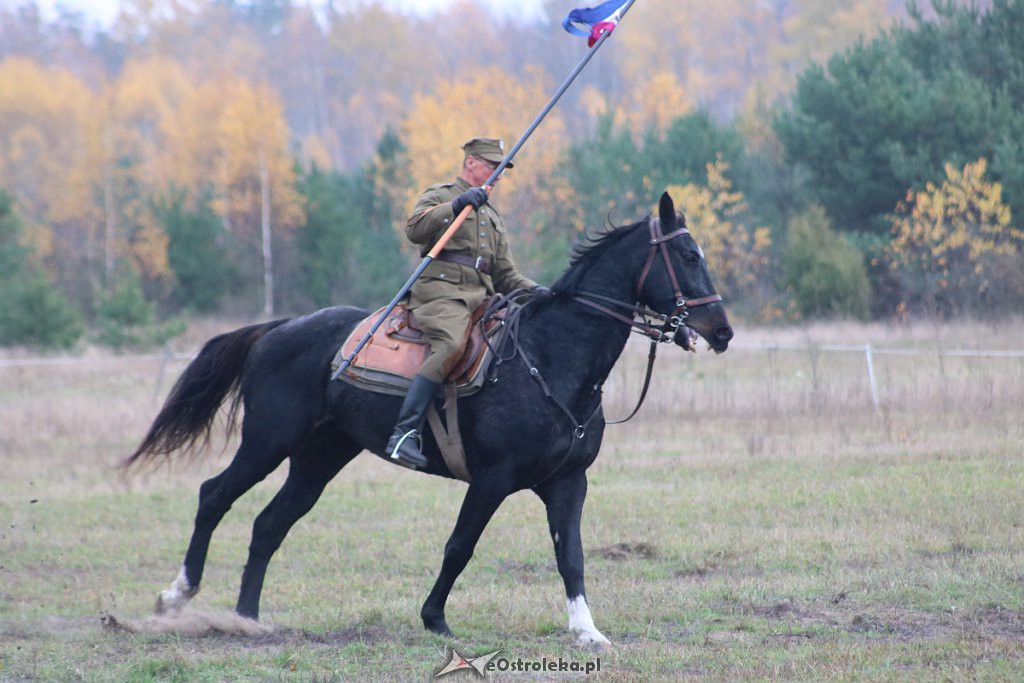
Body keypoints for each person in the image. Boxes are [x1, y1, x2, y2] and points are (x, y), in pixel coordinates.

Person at [386, 137, 549, 469]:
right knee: (450, 344)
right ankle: (403, 433)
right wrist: (458, 205)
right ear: (471, 162)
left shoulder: (493, 218)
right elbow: (414, 229)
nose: (497, 175)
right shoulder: (443, 195)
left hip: (482, 297)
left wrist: (545, 294)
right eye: (492, 166)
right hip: (439, 294)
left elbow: (506, 275)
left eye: (501, 170)